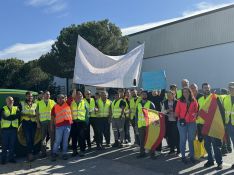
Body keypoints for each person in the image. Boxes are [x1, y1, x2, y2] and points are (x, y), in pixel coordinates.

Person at [198, 83, 223, 170]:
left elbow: (221, 110)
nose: (207, 89)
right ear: (202, 89)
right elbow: (200, 112)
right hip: (204, 125)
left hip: (214, 125)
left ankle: (219, 163)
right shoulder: (200, 99)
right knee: (207, 145)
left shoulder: (215, 97)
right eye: (205, 88)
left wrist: (222, 124)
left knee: (216, 145)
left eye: (208, 88)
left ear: (210, 88)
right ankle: (210, 160)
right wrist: (199, 125)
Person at [175, 87, 198, 164]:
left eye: (187, 92)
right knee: (183, 139)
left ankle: (192, 156)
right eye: (184, 92)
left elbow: (196, 110)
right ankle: (183, 156)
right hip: (182, 123)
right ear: (182, 93)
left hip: (192, 122)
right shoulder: (179, 101)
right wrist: (180, 118)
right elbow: (177, 113)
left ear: (189, 92)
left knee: (191, 139)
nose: (185, 93)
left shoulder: (194, 100)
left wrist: (195, 114)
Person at [51, 94, 72, 161]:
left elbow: (73, 96)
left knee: (65, 141)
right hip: (59, 126)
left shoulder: (67, 103)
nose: (61, 99)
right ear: (57, 99)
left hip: (67, 125)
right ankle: (54, 153)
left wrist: (74, 86)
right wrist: (52, 126)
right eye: (59, 98)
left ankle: (64, 153)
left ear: (64, 99)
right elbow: (52, 118)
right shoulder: (54, 107)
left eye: (62, 98)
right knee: (58, 140)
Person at [19, 91, 39, 162]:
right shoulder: (22, 103)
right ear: (26, 96)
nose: (30, 97)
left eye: (31, 96)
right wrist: (26, 115)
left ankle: (31, 153)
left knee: (33, 138)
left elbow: (37, 113)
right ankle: (29, 154)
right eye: (29, 96)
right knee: (28, 139)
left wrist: (36, 118)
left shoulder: (35, 104)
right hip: (26, 123)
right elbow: (19, 113)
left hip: (33, 123)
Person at [0, 96, 20, 164]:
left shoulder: (16, 108)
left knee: (12, 145)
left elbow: (18, 115)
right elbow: (4, 117)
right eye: (9, 100)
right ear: (6, 101)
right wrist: (13, 117)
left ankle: (11, 158)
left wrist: (10, 117)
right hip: (5, 130)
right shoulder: (3, 108)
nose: (11, 101)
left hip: (14, 130)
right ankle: (3, 159)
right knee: (4, 145)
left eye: (12, 100)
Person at [136, 91, 155, 158]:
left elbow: (154, 115)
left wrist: (153, 126)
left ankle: (152, 154)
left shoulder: (151, 104)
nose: (144, 95)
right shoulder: (138, 104)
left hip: (148, 125)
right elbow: (137, 115)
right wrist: (136, 124)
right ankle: (142, 153)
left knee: (150, 140)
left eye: (145, 94)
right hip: (141, 125)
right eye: (142, 94)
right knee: (142, 140)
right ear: (140, 96)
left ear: (147, 95)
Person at [37, 91, 56, 157]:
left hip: (51, 123)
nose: (48, 95)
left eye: (49, 94)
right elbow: (37, 114)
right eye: (46, 94)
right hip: (43, 123)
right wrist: (38, 123)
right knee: (43, 138)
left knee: (52, 137)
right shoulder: (39, 103)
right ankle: (43, 153)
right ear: (43, 95)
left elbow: (56, 112)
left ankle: (53, 152)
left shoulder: (53, 102)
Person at [70, 90, 88, 157]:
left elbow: (87, 113)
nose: (79, 96)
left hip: (82, 122)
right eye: (78, 94)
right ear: (75, 95)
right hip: (74, 122)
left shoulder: (84, 103)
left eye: (80, 94)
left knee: (82, 137)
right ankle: (74, 151)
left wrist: (86, 122)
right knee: (74, 137)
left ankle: (82, 151)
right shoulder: (72, 103)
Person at [223, 82, 234, 169]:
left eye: (233, 88)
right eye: (230, 88)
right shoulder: (225, 98)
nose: (231, 89)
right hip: (229, 125)